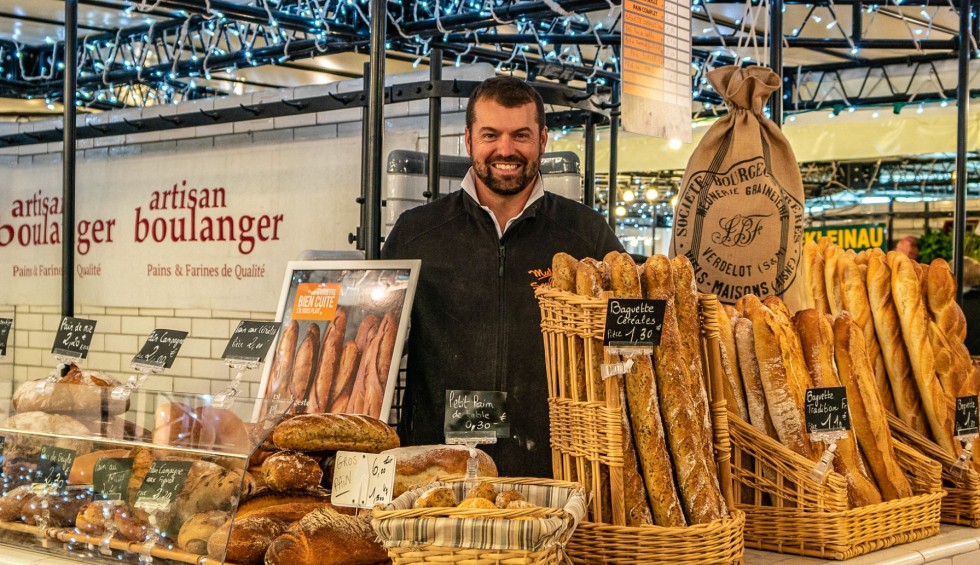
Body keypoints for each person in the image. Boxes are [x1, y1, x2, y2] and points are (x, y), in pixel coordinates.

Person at [381, 76, 624, 477]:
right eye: (490, 135)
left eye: (521, 135)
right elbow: (380, 348)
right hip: (440, 467)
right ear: (468, 140)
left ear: (543, 140)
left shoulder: (586, 233)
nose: (505, 150)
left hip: (555, 466)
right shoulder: (416, 233)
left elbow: (632, 344)